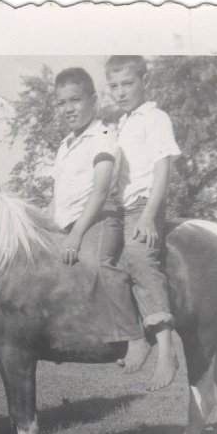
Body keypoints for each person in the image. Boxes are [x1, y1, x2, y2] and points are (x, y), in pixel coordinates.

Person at [50, 67, 149, 365]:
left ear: (93, 100)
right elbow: (58, 196)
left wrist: (77, 234)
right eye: (62, 103)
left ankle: (135, 337)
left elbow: (101, 189)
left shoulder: (104, 132)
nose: (68, 109)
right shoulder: (64, 145)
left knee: (98, 262)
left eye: (75, 100)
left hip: (99, 219)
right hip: (67, 224)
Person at [106, 55, 181, 390]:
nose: (121, 91)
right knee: (105, 264)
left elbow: (162, 169)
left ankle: (166, 349)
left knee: (139, 256)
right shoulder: (119, 124)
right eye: (114, 85)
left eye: (128, 83)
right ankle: (138, 336)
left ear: (143, 81)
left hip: (142, 206)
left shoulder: (155, 117)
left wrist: (150, 215)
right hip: (118, 209)